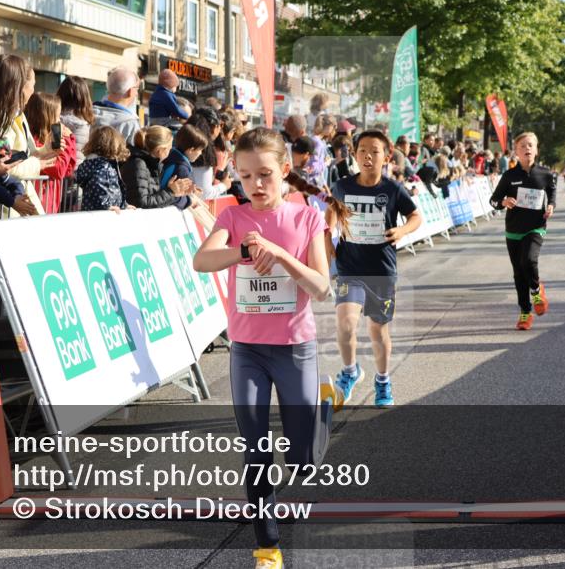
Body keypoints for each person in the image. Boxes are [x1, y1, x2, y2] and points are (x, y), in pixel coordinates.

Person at [192, 127, 352, 569]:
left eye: (264, 174)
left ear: (285, 170)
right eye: (245, 177)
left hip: (295, 348)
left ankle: (321, 402)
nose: (256, 186)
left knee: (301, 462)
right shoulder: (232, 218)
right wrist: (241, 252)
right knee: (256, 448)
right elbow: (201, 261)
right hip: (247, 351)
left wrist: (281, 256)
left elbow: (321, 287)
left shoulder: (306, 219)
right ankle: (267, 546)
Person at [329, 130, 423, 407]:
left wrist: (403, 230)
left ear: (386, 157)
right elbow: (329, 217)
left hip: (381, 270)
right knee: (345, 325)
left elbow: (415, 216)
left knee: (377, 331)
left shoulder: (392, 189)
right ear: (354, 155)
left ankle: (382, 381)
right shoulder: (343, 187)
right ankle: (350, 372)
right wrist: (327, 242)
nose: (368, 156)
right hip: (349, 268)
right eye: (362, 151)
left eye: (375, 151)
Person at [0, 54, 55, 217]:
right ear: (16, 85)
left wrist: (15, 192)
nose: (32, 90)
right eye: (31, 84)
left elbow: (2, 159)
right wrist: (10, 200)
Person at [489, 132, 557, 331]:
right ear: (516, 152)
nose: (527, 149)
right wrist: (503, 202)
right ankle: (525, 312)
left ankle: (536, 290)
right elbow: (493, 200)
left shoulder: (545, 174)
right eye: (522, 146)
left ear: (536, 149)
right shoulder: (509, 176)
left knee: (528, 260)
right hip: (513, 231)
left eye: (530, 145)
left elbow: (551, 191)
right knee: (518, 273)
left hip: (536, 227)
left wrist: (551, 205)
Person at [25, 92, 77, 214]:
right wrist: (68, 141)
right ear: (47, 116)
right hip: (40, 202)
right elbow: (59, 170)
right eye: (58, 116)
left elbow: (68, 169)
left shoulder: (53, 138)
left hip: (51, 200)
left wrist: (70, 141)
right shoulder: (35, 141)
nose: (60, 121)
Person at [120, 126, 194, 209]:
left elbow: (152, 197)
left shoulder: (152, 163)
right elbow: (141, 202)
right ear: (160, 150)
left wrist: (175, 192)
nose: (170, 151)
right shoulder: (139, 164)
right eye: (169, 149)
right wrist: (170, 192)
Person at [76, 125, 132, 212]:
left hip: (93, 211)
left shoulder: (92, 164)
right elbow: (97, 186)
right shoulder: (103, 167)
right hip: (103, 214)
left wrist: (123, 205)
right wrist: (106, 206)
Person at [161, 124, 210, 210]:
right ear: (191, 150)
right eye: (200, 150)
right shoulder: (182, 168)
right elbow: (176, 196)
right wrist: (189, 201)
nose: (201, 153)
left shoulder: (171, 156)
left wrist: (190, 190)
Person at [93, 66, 142, 144]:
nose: (136, 93)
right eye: (137, 89)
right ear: (131, 91)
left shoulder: (88, 112)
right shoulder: (130, 124)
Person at [56, 76, 94, 166]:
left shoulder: (53, 119)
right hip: (75, 171)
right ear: (85, 98)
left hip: (54, 170)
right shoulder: (83, 125)